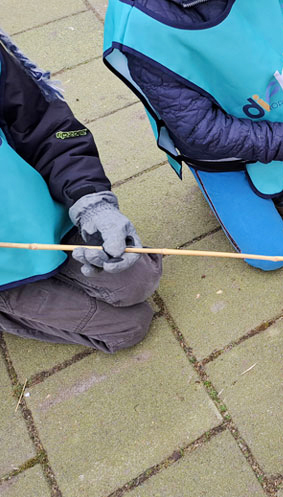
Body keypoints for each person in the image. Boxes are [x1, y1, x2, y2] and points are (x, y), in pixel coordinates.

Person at [102, 0, 283, 271]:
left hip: (274, 116)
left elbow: (280, 30)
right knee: (271, 257)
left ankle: (279, 179)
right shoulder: (142, 24)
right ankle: (213, 185)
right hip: (217, 156)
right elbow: (201, 130)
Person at [0, 31, 162, 353]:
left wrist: (92, 202)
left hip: (45, 219)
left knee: (139, 279)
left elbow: (47, 128)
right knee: (130, 327)